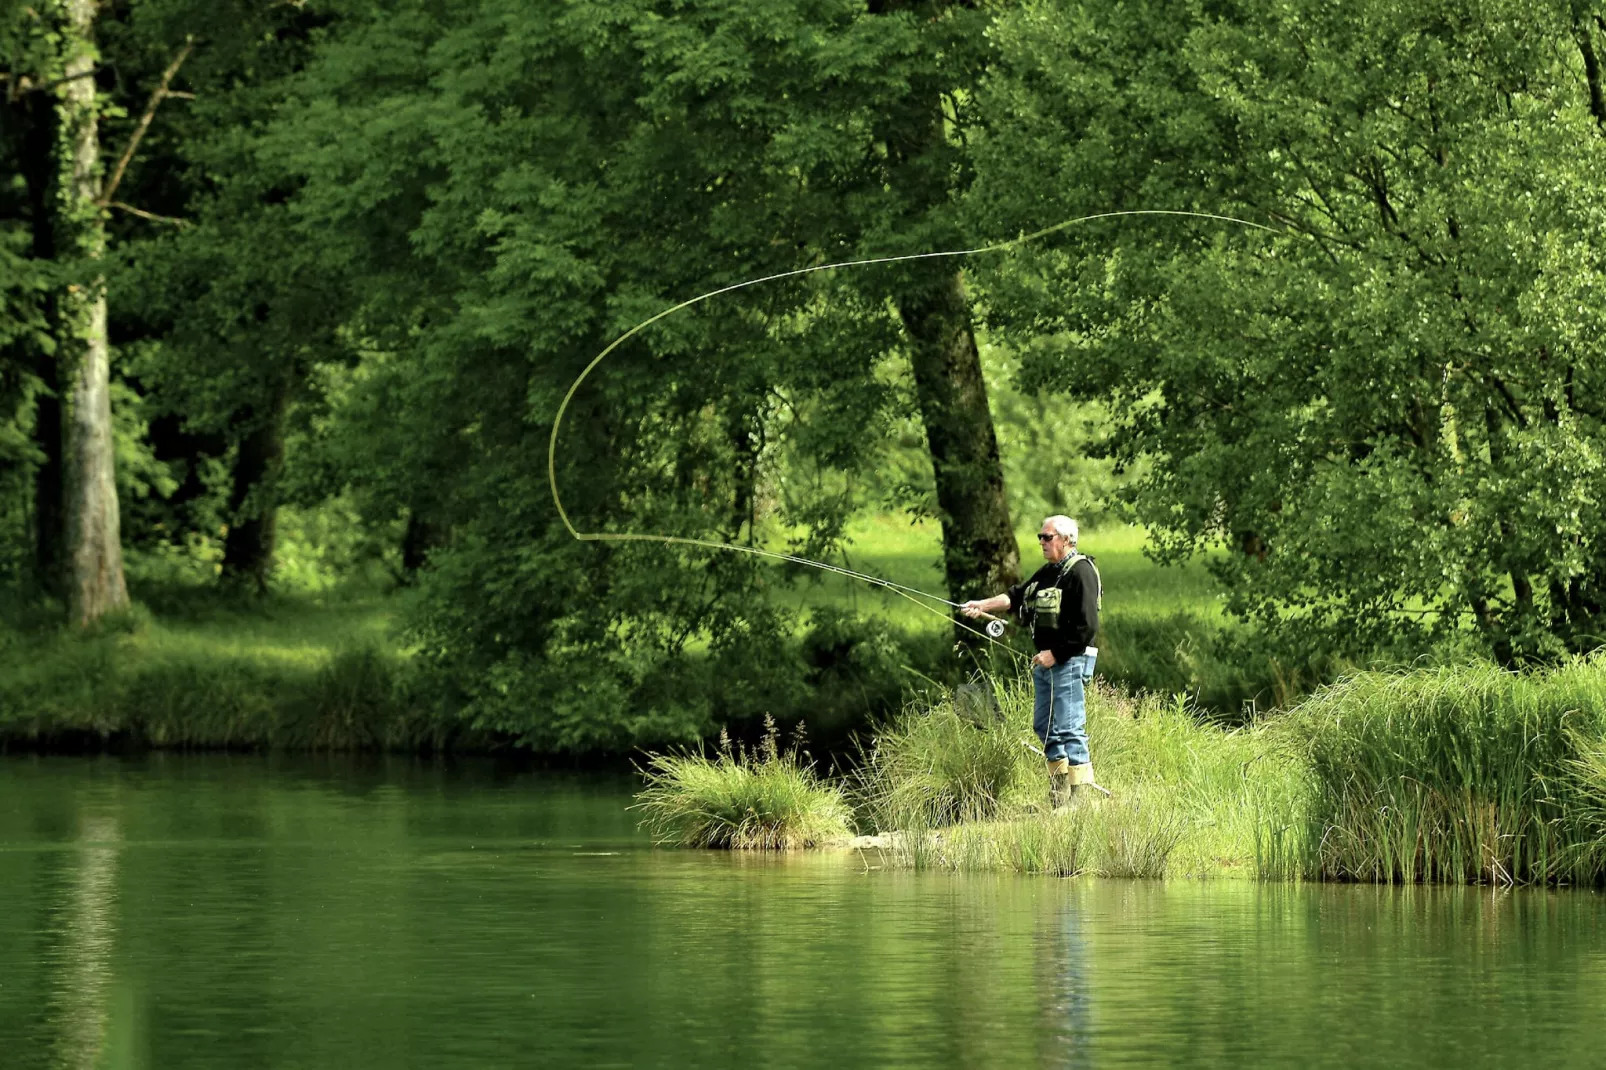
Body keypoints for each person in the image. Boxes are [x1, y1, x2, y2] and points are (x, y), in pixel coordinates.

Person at [961, 515, 1101, 809]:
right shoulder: (1048, 572)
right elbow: (1015, 597)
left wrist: (1056, 654)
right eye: (1040, 537)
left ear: (1066, 540)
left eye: (1047, 537)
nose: (1041, 542)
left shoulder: (1082, 572)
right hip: (1046, 662)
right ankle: (1059, 794)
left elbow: (1087, 627)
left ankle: (1080, 800)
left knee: (1070, 727)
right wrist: (981, 605)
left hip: (1070, 661)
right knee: (1044, 726)